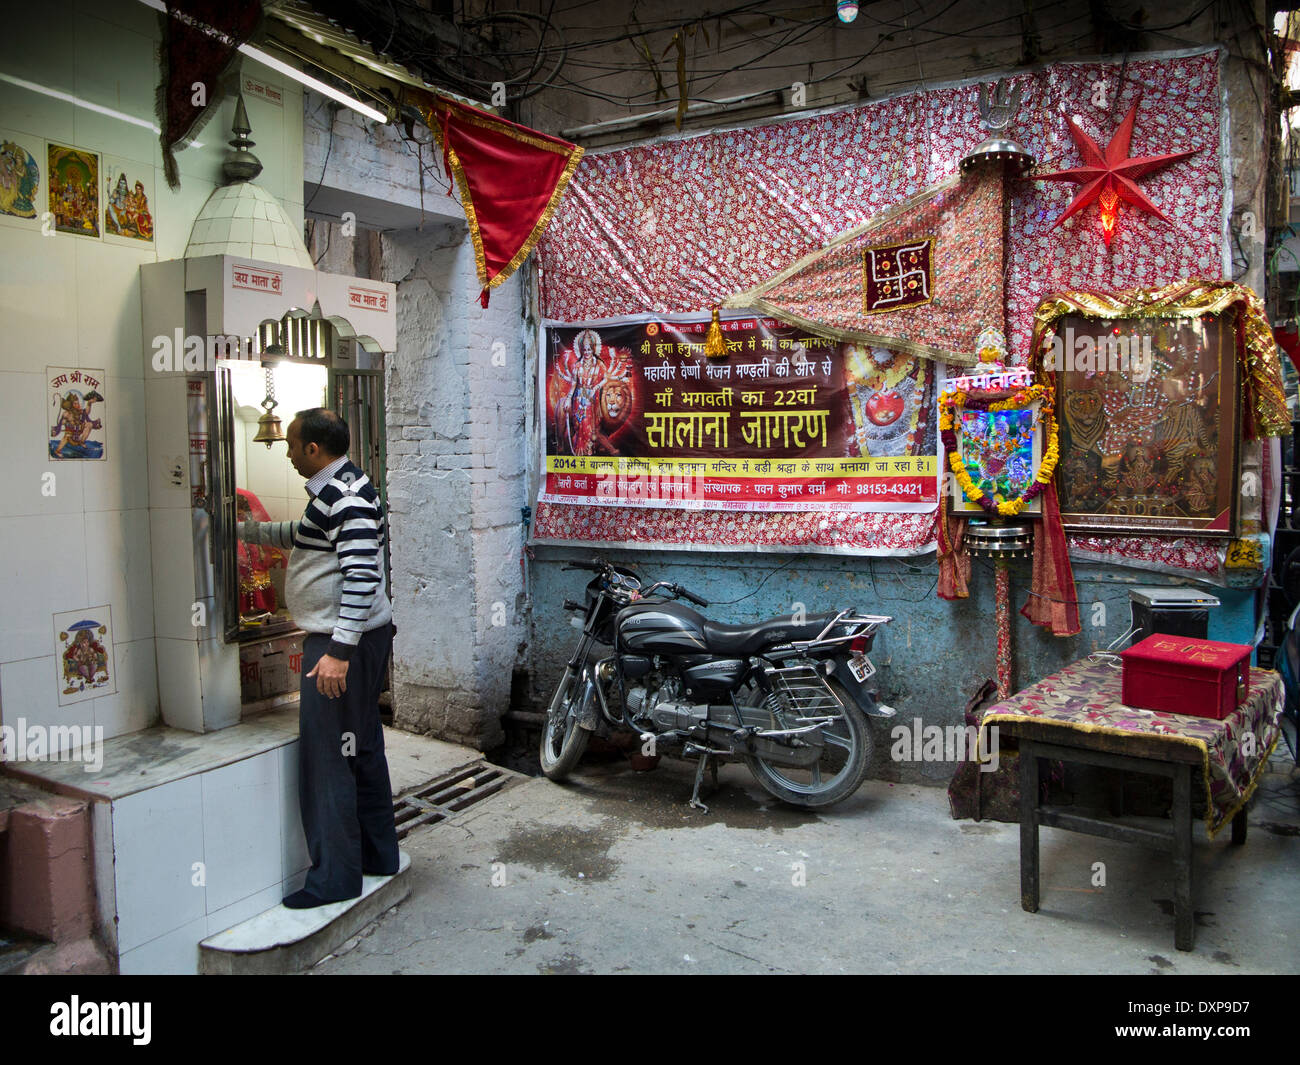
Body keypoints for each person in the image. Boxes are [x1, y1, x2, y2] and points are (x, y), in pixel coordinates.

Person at [238, 408, 400, 908]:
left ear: (313, 449)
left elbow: (361, 577)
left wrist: (337, 652)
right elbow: (308, 537)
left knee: (328, 758)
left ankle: (334, 880)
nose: (285, 453)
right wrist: (248, 531)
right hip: (357, 640)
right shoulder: (339, 489)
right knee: (361, 745)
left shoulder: (345, 496)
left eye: (290, 444)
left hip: (341, 646)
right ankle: (378, 856)